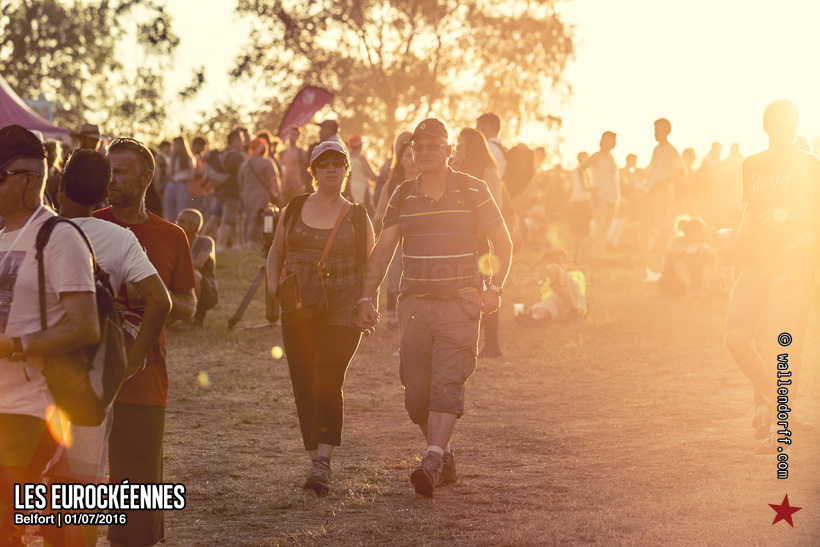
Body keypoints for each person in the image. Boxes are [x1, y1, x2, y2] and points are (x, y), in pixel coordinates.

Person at [357, 118, 513, 497]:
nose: (424, 153)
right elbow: (384, 249)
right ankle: (445, 455)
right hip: (414, 306)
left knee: (447, 382)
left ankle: (430, 460)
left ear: (448, 150)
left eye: (433, 146)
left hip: (460, 305)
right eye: (419, 147)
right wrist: (366, 296)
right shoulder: (402, 195)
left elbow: (503, 242)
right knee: (416, 396)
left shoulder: (473, 189)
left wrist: (494, 287)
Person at [55, 148, 172, 546]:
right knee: (83, 487)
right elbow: (161, 302)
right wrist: (131, 361)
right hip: (88, 379)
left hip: (30, 376)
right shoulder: (119, 238)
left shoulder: (35, 231)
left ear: (60, 185)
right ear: (103, 191)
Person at [0, 124, 100, 546]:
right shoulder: (1, 236)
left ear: (29, 180)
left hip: (33, 408)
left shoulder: (58, 238)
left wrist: (17, 345)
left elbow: (85, 324)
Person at [96, 137, 197, 546]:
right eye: (108, 172)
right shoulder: (88, 227)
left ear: (146, 178)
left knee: (137, 489)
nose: (111, 180)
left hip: (145, 372)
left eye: (120, 172)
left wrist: (151, 296)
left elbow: (188, 304)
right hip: (87, 373)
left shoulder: (171, 236)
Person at [266, 141, 374, 495]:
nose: (331, 169)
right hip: (298, 307)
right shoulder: (294, 208)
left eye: (338, 163)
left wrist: (365, 300)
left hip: (342, 309)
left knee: (326, 381)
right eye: (323, 164)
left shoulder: (357, 216)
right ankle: (314, 458)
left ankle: (323, 463)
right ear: (312, 171)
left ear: (346, 170)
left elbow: (370, 266)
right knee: (303, 382)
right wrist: (275, 289)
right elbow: (275, 253)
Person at [723, 100, 820, 455]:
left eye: (792, 123)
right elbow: (751, 209)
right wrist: (734, 243)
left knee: (779, 344)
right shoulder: (752, 164)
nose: (787, 130)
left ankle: (775, 418)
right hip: (754, 263)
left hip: (792, 263)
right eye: (781, 124)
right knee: (735, 338)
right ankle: (772, 399)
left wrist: (790, 211)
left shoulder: (809, 164)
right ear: (766, 127)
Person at [450, 127, 504, 357]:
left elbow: (496, 209)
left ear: (472, 147)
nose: (457, 148)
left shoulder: (487, 172)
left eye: (461, 144)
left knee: (485, 287)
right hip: (456, 240)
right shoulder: (455, 169)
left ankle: (491, 342)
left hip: (480, 239)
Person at [373, 140, 418, 330]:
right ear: (399, 160)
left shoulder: (429, 181)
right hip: (397, 241)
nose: (411, 160)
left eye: (413, 155)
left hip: (420, 241)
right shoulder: (392, 184)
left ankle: (412, 315)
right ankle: (393, 315)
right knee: (394, 279)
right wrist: (397, 218)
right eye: (407, 156)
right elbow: (379, 214)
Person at [515, 247, 587, 326]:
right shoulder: (547, 282)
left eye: (558, 260)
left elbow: (577, 290)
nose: (555, 263)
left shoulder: (575, 274)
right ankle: (536, 319)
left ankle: (574, 310)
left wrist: (558, 279)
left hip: (574, 302)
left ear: (565, 261)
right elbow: (544, 298)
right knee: (540, 308)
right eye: (551, 261)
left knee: (553, 269)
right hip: (556, 306)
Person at [644, 119, 685, 254]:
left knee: (663, 224)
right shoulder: (656, 149)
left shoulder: (671, 150)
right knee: (650, 224)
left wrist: (661, 185)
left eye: (657, 130)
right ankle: (652, 253)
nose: (655, 133)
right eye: (654, 130)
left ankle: (666, 253)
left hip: (662, 193)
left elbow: (680, 172)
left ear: (666, 131)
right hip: (650, 192)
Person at [578, 131, 619, 255]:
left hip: (612, 197)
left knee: (606, 227)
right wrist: (587, 187)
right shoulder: (597, 156)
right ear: (603, 141)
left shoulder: (611, 158)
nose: (611, 143)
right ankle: (585, 252)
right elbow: (581, 169)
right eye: (609, 140)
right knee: (600, 225)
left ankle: (598, 253)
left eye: (613, 140)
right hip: (599, 195)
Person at [176, 208, 218, 327]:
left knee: (193, 274)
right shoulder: (176, 241)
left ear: (194, 225)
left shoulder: (205, 241)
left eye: (182, 222)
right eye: (178, 221)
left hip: (207, 291)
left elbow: (199, 263)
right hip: (183, 286)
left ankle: (191, 319)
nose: (177, 224)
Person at [239, 137, 281, 249]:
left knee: (251, 220)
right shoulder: (267, 162)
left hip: (247, 197)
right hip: (262, 196)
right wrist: (278, 195)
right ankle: (252, 244)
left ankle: (251, 244)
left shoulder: (245, 165)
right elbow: (274, 180)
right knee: (262, 220)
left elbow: (240, 183)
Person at [658, 215, 715, 298]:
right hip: (675, 280)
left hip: (694, 277)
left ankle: (703, 286)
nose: (702, 235)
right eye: (700, 233)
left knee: (706, 259)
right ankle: (690, 288)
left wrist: (705, 249)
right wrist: (688, 249)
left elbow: (713, 254)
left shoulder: (701, 243)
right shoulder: (676, 240)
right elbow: (670, 248)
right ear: (691, 233)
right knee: (676, 259)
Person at [215, 127, 249, 251]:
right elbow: (244, 173)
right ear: (234, 141)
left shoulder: (224, 154)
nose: (242, 142)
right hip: (232, 191)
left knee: (235, 218)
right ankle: (219, 246)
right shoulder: (236, 156)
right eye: (240, 139)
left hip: (222, 191)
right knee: (228, 220)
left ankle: (236, 245)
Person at [164, 135, 196, 222]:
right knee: (169, 212)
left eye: (175, 145)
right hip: (171, 184)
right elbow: (168, 173)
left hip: (182, 185)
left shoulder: (189, 158)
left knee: (180, 211)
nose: (174, 147)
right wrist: (172, 158)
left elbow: (191, 176)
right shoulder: (172, 158)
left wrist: (180, 179)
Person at [347, 134, 379, 211]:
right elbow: (371, 175)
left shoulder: (347, 158)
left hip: (350, 190)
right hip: (362, 190)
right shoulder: (361, 158)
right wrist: (381, 179)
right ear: (360, 146)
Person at [280, 125, 311, 204]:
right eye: (290, 134)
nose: (291, 137)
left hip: (298, 186)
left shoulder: (301, 152)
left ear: (298, 137)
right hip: (286, 188)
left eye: (294, 135)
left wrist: (304, 183)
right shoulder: (283, 153)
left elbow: (307, 169)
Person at [476, 112, 506, 177]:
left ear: (486, 128)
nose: (476, 132)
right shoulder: (502, 149)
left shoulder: (488, 147)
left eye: (478, 128)